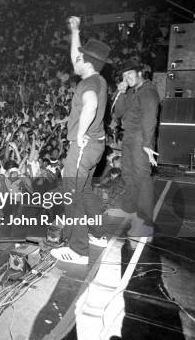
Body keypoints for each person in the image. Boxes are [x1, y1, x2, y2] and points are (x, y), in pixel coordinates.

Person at [50, 16, 111, 265]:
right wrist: (75, 31)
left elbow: (91, 105)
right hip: (96, 146)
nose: (76, 58)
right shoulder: (98, 79)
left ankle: (78, 250)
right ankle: (97, 235)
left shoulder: (87, 84)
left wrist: (78, 134)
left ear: (87, 61)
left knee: (71, 195)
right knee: (85, 192)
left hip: (83, 147)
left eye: (80, 55)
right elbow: (76, 56)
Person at [112, 60, 160, 239]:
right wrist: (121, 92)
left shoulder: (148, 91)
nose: (126, 78)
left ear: (140, 72)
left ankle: (146, 224)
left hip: (141, 137)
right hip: (129, 136)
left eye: (129, 74)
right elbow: (117, 113)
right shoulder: (131, 91)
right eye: (124, 76)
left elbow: (150, 119)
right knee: (128, 174)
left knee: (142, 178)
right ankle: (129, 208)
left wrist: (147, 144)